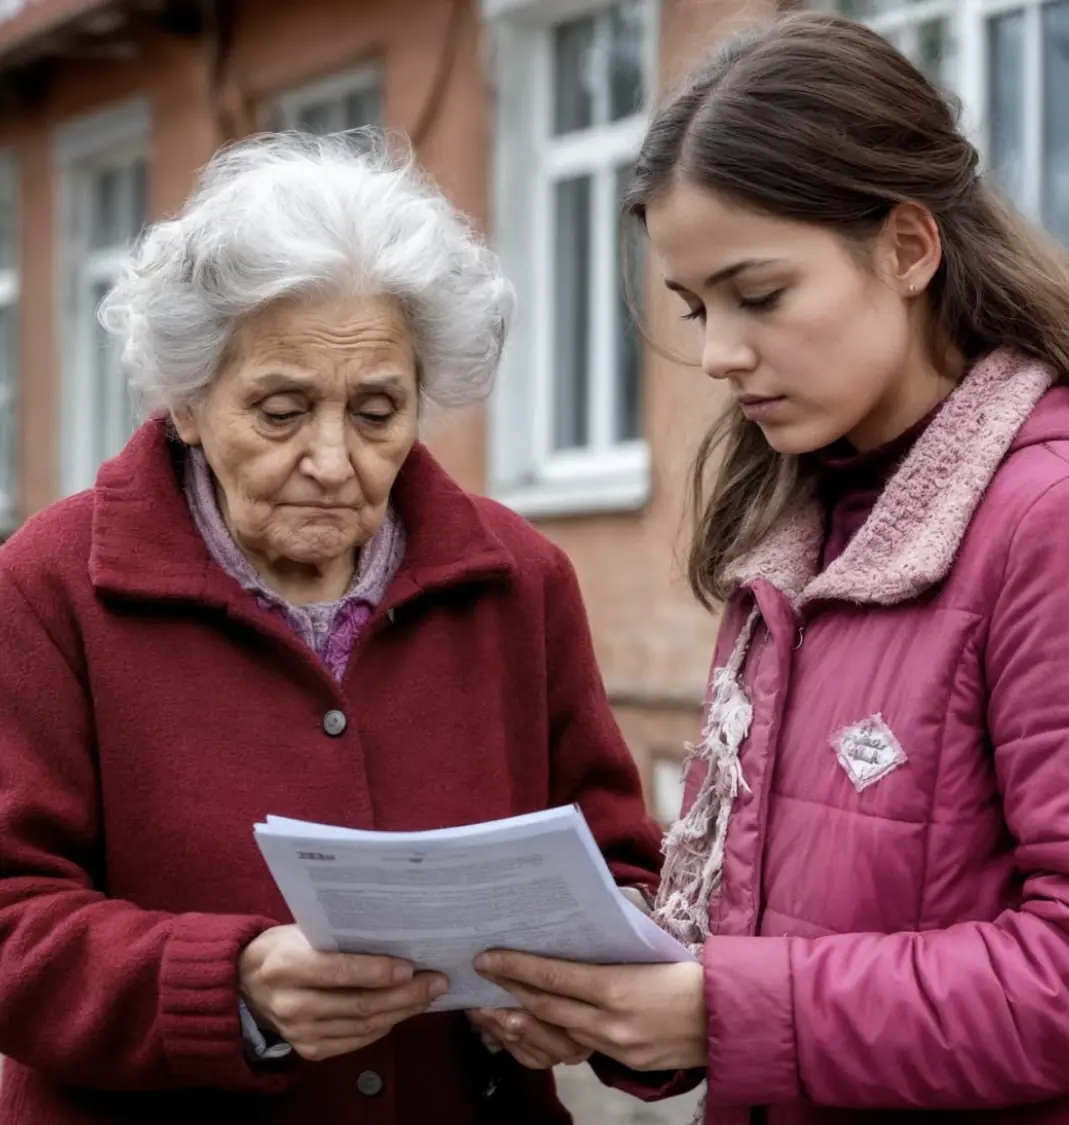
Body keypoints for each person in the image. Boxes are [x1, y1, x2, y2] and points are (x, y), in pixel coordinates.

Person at [470, 10, 1069, 1123]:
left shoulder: (1043, 520)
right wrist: (619, 1008)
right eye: (697, 309)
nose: (716, 354)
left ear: (906, 247)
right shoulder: (795, 531)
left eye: (760, 294)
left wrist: (720, 1010)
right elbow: (751, 936)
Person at [0, 131, 664, 1125]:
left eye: (376, 411)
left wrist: (589, 997)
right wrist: (234, 986)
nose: (333, 458)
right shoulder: (48, 588)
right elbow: (13, 919)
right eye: (280, 410)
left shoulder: (518, 582)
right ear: (185, 403)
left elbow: (622, 871)